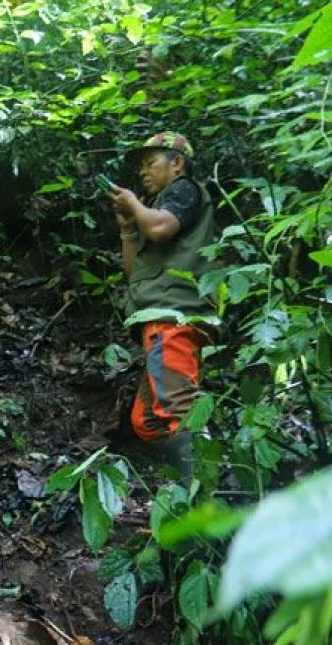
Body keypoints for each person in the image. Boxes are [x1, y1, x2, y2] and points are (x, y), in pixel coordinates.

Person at [106, 131, 216, 483]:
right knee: (148, 421)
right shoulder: (154, 210)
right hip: (158, 318)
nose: (143, 173)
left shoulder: (184, 191)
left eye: (150, 163)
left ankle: (206, 503)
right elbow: (133, 270)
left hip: (175, 316)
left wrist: (135, 207)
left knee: (178, 413)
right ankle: (192, 487)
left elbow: (159, 229)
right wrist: (127, 228)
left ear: (177, 163)